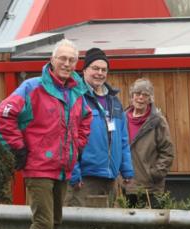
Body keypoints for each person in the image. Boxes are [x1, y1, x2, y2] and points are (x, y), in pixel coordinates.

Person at [0, 39, 92, 229]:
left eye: (71, 60)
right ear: (52, 60)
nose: (66, 64)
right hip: (38, 167)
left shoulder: (77, 92)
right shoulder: (32, 87)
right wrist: (18, 147)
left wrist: (77, 146)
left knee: (54, 223)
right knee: (43, 224)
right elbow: (2, 115)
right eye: (62, 58)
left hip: (62, 168)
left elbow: (85, 119)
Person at [66, 48, 134, 208]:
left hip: (110, 179)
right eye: (95, 68)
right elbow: (68, 138)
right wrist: (74, 173)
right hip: (84, 179)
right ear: (84, 70)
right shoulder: (76, 97)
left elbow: (123, 140)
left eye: (104, 70)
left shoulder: (114, 102)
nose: (100, 73)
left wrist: (127, 170)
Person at [123, 78, 174, 208]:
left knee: (150, 227)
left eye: (145, 94)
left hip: (150, 187)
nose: (140, 97)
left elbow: (167, 152)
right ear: (131, 96)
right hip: (125, 185)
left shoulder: (157, 121)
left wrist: (155, 174)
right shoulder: (121, 119)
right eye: (137, 93)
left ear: (150, 98)